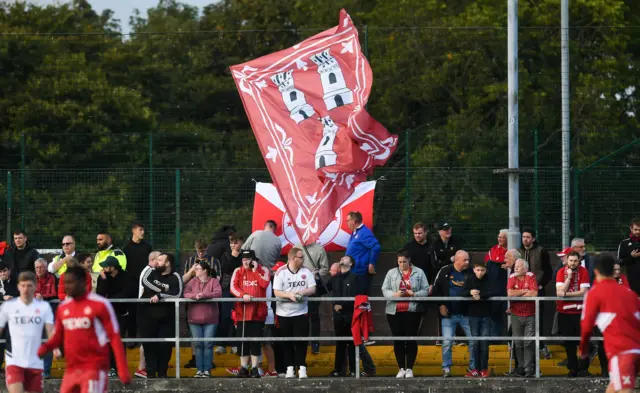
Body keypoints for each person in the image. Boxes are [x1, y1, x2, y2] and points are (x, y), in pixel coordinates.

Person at [37, 265, 132, 391]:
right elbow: (57, 336)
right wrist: (42, 350)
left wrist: (123, 370)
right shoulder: (64, 307)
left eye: (71, 282)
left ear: (83, 282)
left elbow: (114, 338)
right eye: (65, 283)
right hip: (72, 369)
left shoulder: (100, 304)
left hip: (94, 369)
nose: (67, 286)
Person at [579, 253, 640, 393]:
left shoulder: (595, 293)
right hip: (636, 349)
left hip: (622, 351)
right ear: (614, 270)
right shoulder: (630, 293)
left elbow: (586, 327)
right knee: (613, 387)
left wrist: (583, 351)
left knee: (624, 390)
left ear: (595, 271)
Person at [0, 271, 57, 393]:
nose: (26, 289)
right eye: (23, 285)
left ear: (35, 287)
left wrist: (56, 347)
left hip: (35, 360)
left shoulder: (44, 307)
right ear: (18, 286)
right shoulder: (8, 307)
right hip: (14, 358)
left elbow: (50, 331)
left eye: (29, 285)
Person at [381, 249, 430, 379]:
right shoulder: (391, 273)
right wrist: (395, 295)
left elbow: (425, 289)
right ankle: (401, 367)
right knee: (398, 339)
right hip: (394, 310)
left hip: (412, 310)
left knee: (411, 339)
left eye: (404, 262)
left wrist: (414, 294)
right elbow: (384, 289)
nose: (402, 264)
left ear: (409, 260)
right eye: (400, 262)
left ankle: (410, 368)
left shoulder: (419, 272)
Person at [273, 247, 316, 379]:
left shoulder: (306, 271)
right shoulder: (281, 272)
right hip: (284, 313)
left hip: (301, 312)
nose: (303, 259)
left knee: (301, 341)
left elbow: (312, 288)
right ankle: (289, 368)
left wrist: (302, 293)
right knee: (287, 342)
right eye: (301, 257)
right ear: (293, 258)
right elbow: (276, 291)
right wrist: (289, 295)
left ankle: (302, 368)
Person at [138, 253, 183, 378]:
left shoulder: (175, 276)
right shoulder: (151, 271)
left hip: (166, 319)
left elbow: (177, 293)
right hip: (147, 316)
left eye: (160, 260)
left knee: (165, 346)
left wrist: (160, 296)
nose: (157, 262)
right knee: (149, 345)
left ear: (167, 263)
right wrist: (163, 290)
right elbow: (145, 281)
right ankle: (151, 373)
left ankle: (163, 372)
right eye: (156, 259)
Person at [432, 250, 475, 377]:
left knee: (473, 341)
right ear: (456, 260)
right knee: (447, 342)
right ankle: (446, 368)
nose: (467, 262)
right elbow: (436, 289)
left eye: (468, 260)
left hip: (467, 314)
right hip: (449, 314)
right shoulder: (445, 271)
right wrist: (441, 304)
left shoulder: (472, 272)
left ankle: (472, 367)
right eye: (464, 260)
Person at [230, 250, 270, 378]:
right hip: (242, 312)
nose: (245, 262)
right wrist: (243, 295)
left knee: (255, 342)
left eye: (248, 259)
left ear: (254, 260)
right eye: (243, 259)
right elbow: (233, 287)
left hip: (258, 313)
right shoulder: (238, 271)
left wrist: (255, 271)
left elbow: (264, 284)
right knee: (243, 342)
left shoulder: (263, 270)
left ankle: (254, 368)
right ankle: (243, 368)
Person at [183, 239, 221, 369]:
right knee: (195, 335)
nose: (201, 253)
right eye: (198, 251)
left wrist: (205, 292)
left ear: (207, 248)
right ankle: (195, 358)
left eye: (203, 251)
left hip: (209, 303)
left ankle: (208, 363)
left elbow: (217, 280)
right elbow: (184, 281)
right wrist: (192, 271)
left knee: (208, 338)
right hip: (194, 304)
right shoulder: (190, 261)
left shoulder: (214, 261)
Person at [96, 256, 136, 378]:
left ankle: (120, 367)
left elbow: (127, 294)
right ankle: (110, 367)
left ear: (113, 268)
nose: (103, 268)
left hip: (122, 313)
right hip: (107, 314)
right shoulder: (103, 278)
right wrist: (104, 280)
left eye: (106, 266)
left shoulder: (126, 277)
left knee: (118, 339)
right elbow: (100, 295)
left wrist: (110, 299)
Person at [556, 250, 591, 377]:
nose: (573, 263)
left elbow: (583, 292)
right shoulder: (561, 272)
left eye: (575, 261)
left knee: (583, 342)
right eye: (570, 260)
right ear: (567, 260)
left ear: (579, 261)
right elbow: (559, 292)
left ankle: (584, 368)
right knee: (569, 343)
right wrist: (569, 278)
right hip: (564, 313)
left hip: (580, 312)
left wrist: (566, 294)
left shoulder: (584, 271)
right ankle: (573, 369)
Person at [518, 228, 552, 358]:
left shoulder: (541, 251)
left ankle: (541, 346)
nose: (525, 239)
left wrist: (540, 284)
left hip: (537, 291)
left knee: (538, 319)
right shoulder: (518, 251)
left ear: (533, 239)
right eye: (523, 237)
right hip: (521, 292)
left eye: (527, 237)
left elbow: (548, 271)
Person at [465, 261, 500, 378]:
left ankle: (484, 368)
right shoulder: (469, 279)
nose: (480, 273)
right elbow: (462, 292)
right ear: (474, 270)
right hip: (473, 315)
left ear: (486, 270)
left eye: (482, 270)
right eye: (478, 270)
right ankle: (475, 368)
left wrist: (481, 295)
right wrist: (470, 292)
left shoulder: (489, 279)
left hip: (486, 314)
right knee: (475, 343)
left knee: (484, 342)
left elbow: (495, 291)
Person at [293, 242, 329, 354]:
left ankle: (315, 343)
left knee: (314, 315)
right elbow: (290, 265)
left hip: (313, 286)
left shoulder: (319, 248)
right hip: (298, 287)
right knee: (299, 316)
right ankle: (300, 342)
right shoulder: (296, 247)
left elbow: (325, 268)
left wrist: (317, 275)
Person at [122, 222, 153, 348]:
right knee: (131, 311)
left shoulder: (147, 247)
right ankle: (132, 337)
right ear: (133, 231)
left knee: (145, 311)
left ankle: (145, 338)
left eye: (143, 230)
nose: (143, 232)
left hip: (145, 285)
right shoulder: (126, 248)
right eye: (140, 229)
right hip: (131, 285)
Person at [507, 259, 538, 378]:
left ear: (525, 269)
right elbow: (510, 294)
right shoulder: (511, 277)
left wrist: (517, 293)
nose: (516, 268)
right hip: (516, 314)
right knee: (518, 342)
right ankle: (520, 367)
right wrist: (524, 291)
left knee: (528, 342)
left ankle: (529, 368)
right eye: (515, 266)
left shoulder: (530, 276)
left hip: (530, 314)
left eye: (519, 266)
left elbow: (534, 294)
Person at [328, 256, 358, 377]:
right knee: (340, 343)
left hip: (351, 314)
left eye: (345, 258)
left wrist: (343, 305)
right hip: (338, 316)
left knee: (351, 343)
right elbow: (322, 289)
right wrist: (317, 278)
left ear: (350, 264)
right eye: (341, 257)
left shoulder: (355, 278)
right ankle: (338, 369)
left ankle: (353, 369)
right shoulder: (335, 278)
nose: (342, 259)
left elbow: (356, 295)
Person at [135, 250, 161, 379]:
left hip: (146, 307)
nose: (161, 262)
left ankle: (146, 365)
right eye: (159, 259)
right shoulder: (149, 271)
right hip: (145, 307)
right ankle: (141, 367)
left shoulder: (149, 271)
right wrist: (164, 289)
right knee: (146, 338)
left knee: (148, 338)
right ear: (153, 260)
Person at [217, 234, 243, 355]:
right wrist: (233, 256)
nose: (233, 245)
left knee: (237, 317)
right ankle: (222, 344)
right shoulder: (225, 255)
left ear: (241, 243)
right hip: (227, 289)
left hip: (240, 289)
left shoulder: (245, 255)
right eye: (231, 243)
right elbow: (226, 269)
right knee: (225, 316)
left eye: (236, 242)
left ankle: (235, 344)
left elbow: (242, 270)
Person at [617, 217, 640, 295]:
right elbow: (619, 262)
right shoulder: (624, 243)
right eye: (636, 229)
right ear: (631, 228)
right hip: (630, 281)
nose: (638, 232)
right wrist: (631, 257)